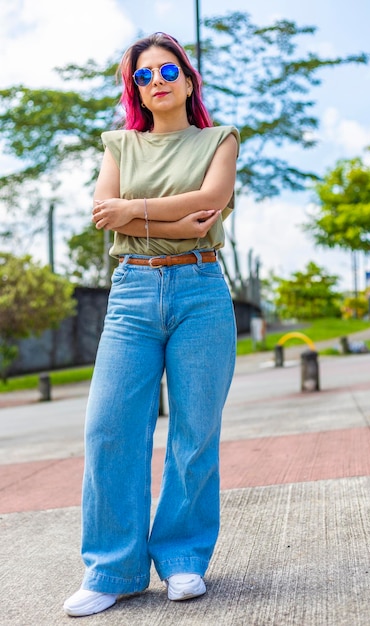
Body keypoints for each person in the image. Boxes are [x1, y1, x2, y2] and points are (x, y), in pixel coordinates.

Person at [63, 32, 239, 617]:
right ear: (135, 88)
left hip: (201, 291)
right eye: (144, 76)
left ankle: (184, 560)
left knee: (195, 432)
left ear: (189, 81)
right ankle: (113, 569)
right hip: (131, 292)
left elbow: (211, 199)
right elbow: (100, 211)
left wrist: (133, 212)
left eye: (168, 71)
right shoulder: (119, 143)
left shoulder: (219, 140)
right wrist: (173, 218)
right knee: (109, 430)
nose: (157, 81)